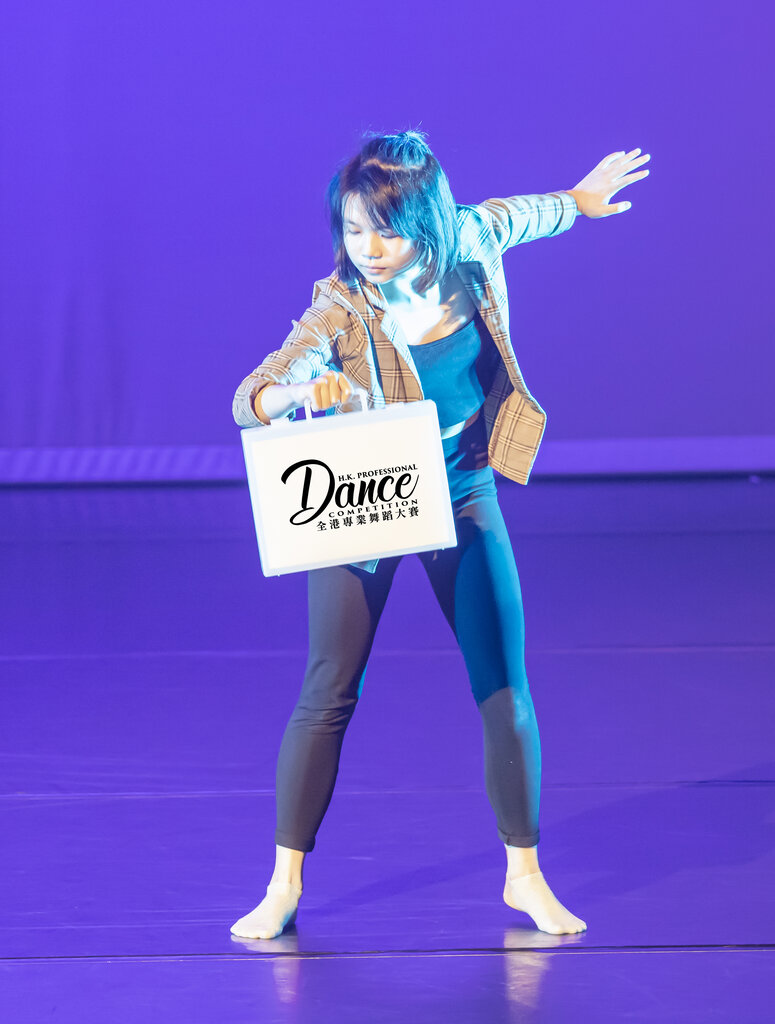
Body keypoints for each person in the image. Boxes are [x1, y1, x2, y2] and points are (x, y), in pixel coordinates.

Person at [230, 130, 650, 939]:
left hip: (460, 486)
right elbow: (256, 391)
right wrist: (292, 397)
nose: (368, 249)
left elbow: (525, 215)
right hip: (372, 495)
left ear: (429, 224)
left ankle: (524, 876)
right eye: (353, 229)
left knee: (503, 687)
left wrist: (580, 201)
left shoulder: (469, 240)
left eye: (385, 232)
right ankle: (282, 885)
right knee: (329, 687)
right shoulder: (342, 305)